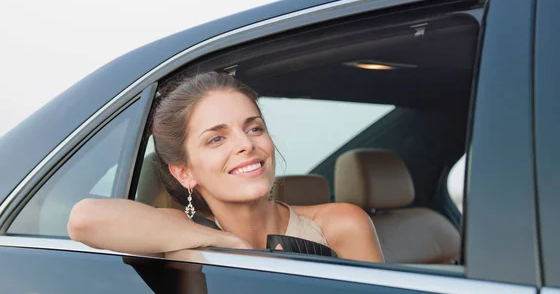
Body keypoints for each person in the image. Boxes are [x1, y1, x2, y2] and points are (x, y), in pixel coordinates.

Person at [68, 72, 384, 262]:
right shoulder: (182, 230)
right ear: (184, 172)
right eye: (217, 139)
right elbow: (83, 220)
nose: (246, 144)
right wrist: (226, 242)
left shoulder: (341, 225)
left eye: (254, 128)